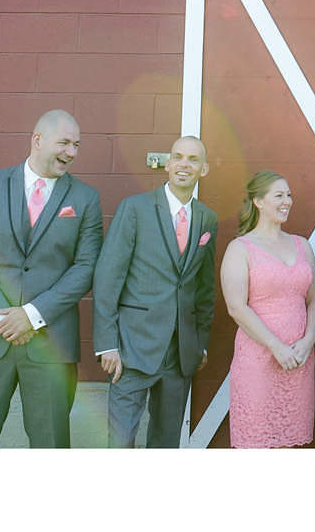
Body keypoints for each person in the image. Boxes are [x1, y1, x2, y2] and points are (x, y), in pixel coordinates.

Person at [0, 109, 103, 448]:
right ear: (37, 140)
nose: (71, 152)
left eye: (77, 145)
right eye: (64, 143)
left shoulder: (85, 198)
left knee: (51, 443)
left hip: (51, 342)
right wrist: (3, 319)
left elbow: (86, 267)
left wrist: (31, 316)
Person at [92, 135, 219, 448]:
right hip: (131, 349)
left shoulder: (207, 219)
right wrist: (107, 344)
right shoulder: (135, 208)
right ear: (168, 164)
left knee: (166, 442)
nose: (183, 165)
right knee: (120, 442)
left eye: (193, 159)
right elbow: (108, 278)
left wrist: (199, 342)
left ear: (204, 169)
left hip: (179, 354)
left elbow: (204, 289)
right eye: (178, 157)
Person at [223, 170, 315, 447]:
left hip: (299, 358)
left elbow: (314, 298)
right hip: (259, 358)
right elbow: (236, 307)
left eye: (289, 195)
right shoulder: (240, 248)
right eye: (279, 195)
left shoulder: (302, 245)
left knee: (292, 441)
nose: (287, 201)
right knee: (256, 440)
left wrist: (308, 341)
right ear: (258, 201)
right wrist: (276, 346)